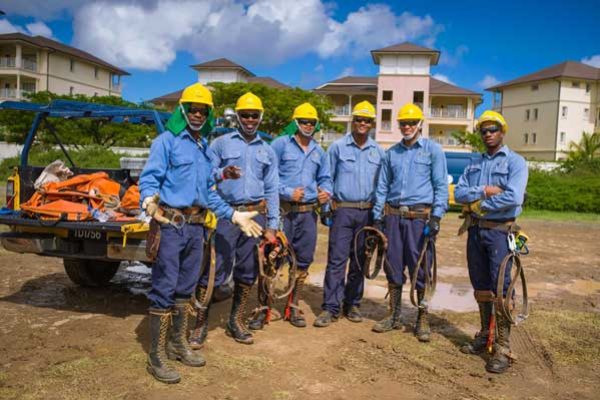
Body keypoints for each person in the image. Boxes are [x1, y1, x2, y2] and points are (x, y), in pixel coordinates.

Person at [139, 83, 263, 383]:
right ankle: (156, 356)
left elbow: (209, 192)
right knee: (165, 287)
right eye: (193, 109)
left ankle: (177, 344)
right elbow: (150, 178)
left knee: (185, 288)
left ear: (208, 114)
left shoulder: (203, 148)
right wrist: (148, 200)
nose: (197, 114)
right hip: (171, 225)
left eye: (203, 111)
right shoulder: (166, 142)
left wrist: (234, 215)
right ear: (182, 110)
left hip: (196, 228)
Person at [190, 92, 279, 346]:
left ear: (260, 117)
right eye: (245, 115)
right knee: (214, 270)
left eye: (254, 115)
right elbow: (206, 175)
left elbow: (272, 188)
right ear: (237, 116)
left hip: (255, 216)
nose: (250, 120)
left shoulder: (268, 150)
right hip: (226, 214)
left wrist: (273, 225)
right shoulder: (220, 144)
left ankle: (236, 321)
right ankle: (200, 325)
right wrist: (223, 172)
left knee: (248, 271)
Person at [455, 110, 528, 374]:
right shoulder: (474, 162)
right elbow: (459, 193)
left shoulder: (515, 162)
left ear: (502, 131)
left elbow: (514, 197)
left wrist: (479, 205)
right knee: (481, 285)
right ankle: (485, 334)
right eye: (483, 130)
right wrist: (484, 191)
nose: (488, 134)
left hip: (500, 232)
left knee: (501, 288)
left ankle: (502, 346)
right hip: (475, 231)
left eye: (493, 129)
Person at [249, 102, 332, 329]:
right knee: (272, 258)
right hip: (283, 212)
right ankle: (264, 308)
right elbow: (268, 176)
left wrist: (326, 192)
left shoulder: (319, 151)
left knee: (302, 261)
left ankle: (292, 306)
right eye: (304, 121)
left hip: (308, 214)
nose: (308, 125)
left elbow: (325, 178)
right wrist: (287, 192)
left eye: (311, 122)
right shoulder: (280, 145)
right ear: (296, 122)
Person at [371, 103, 448, 342]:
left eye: (412, 123)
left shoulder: (433, 151)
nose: (407, 127)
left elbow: (441, 186)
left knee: (421, 267)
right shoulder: (391, 153)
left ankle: (422, 318)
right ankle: (394, 315)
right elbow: (382, 187)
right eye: (403, 123)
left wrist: (436, 217)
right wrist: (377, 217)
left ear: (420, 124)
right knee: (393, 265)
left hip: (419, 218)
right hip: (393, 216)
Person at [313, 101, 385, 327]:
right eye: (358, 119)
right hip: (342, 210)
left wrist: (378, 216)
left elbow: (382, 186)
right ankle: (330, 307)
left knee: (360, 260)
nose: (362, 123)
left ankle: (352, 303)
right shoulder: (337, 148)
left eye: (367, 120)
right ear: (352, 121)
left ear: (372, 124)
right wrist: (326, 209)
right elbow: (327, 179)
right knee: (337, 260)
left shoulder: (378, 152)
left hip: (367, 213)